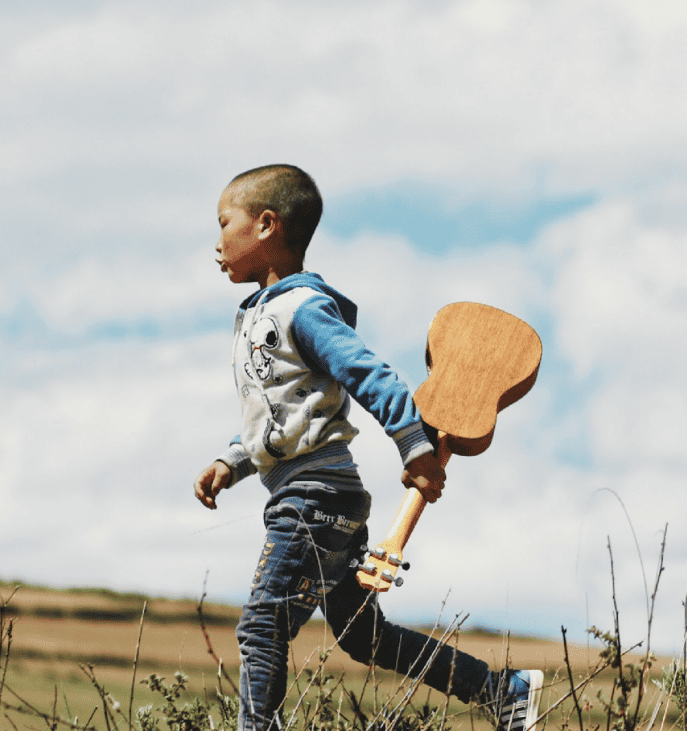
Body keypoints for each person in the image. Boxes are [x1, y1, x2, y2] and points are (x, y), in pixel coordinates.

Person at [193, 164, 543, 731]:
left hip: (312, 496)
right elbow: (275, 413)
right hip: (323, 495)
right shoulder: (261, 315)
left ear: (265, 226)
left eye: (223, 223)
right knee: (363, 635)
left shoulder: (301, 309)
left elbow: (369, 373)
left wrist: (413, 446)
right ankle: (504, 690)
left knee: (262, 623)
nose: (215, 241)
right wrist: (230, 461)